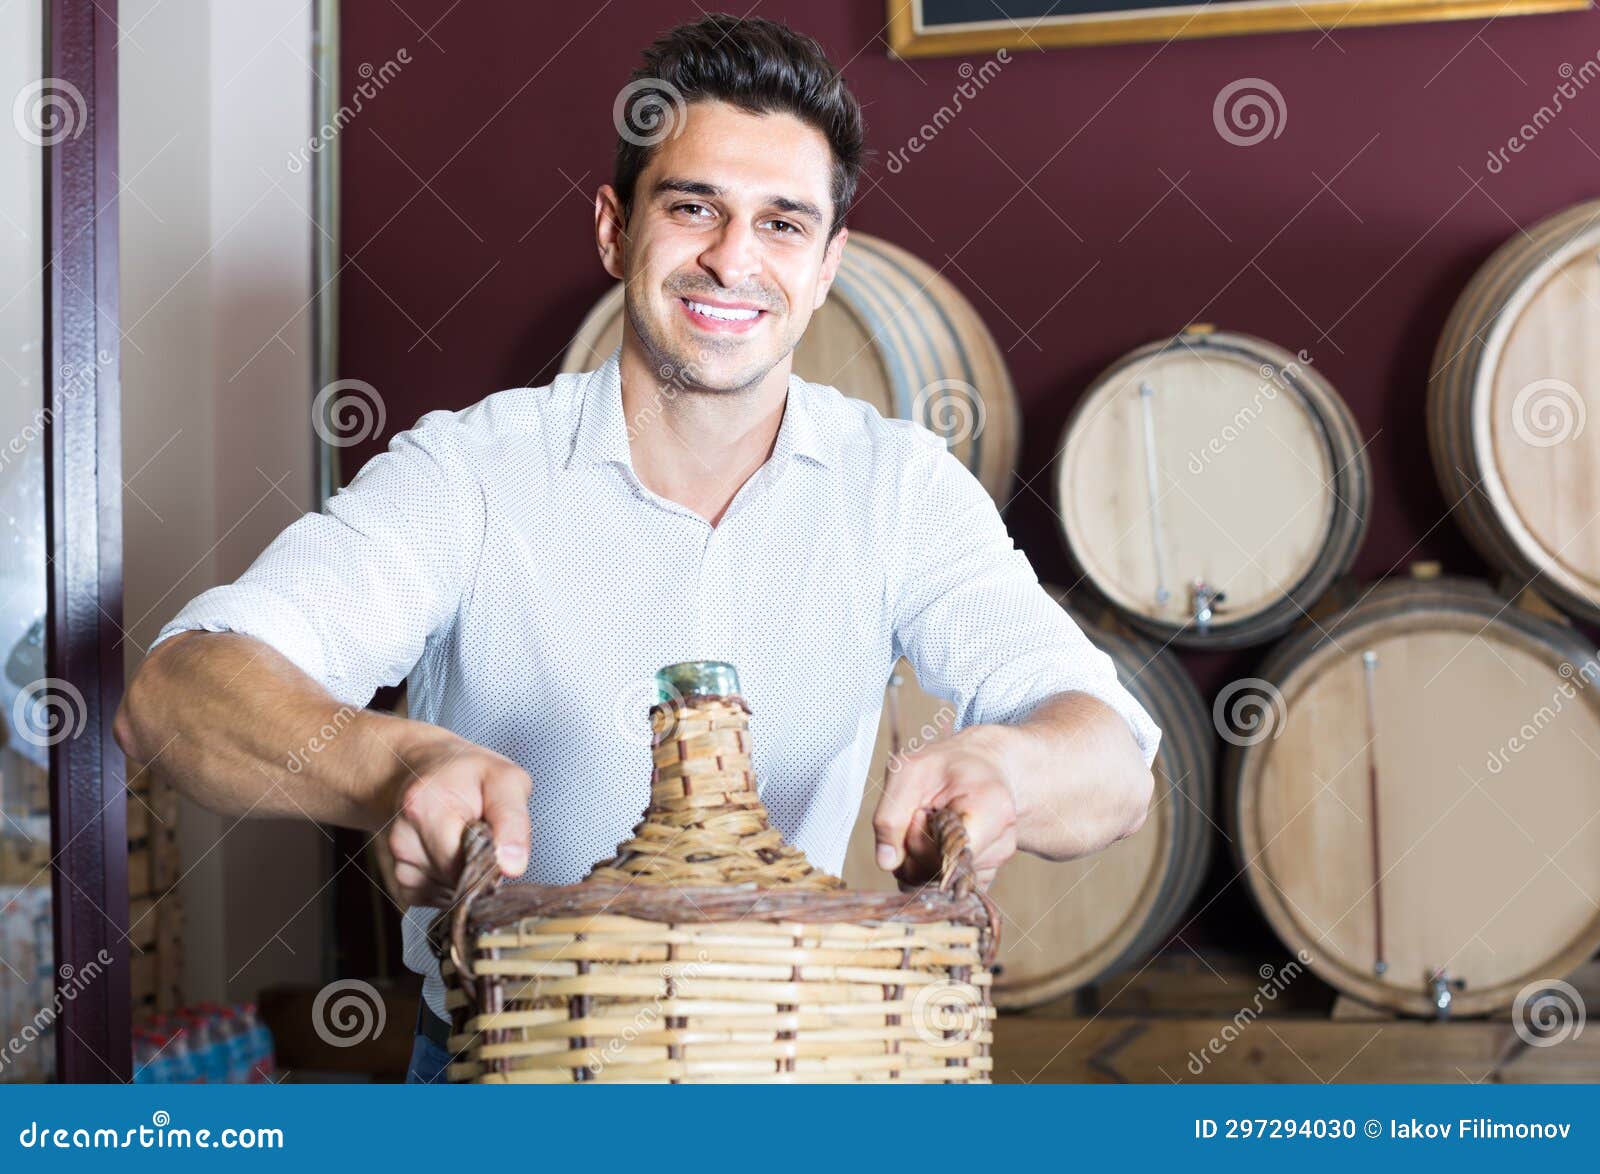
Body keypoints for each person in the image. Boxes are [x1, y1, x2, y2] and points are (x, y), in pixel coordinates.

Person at [115, 14, 1160, 1084]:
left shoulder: (896, 487)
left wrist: (1009, 765)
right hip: (500, 1075)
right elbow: (176, 692)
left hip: (793, 1080)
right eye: (693, 205)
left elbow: (1115, 764)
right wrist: (391, 764)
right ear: (615, 230)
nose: (733, 259)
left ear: (829, 263)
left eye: (783, 223)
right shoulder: (470, 475)